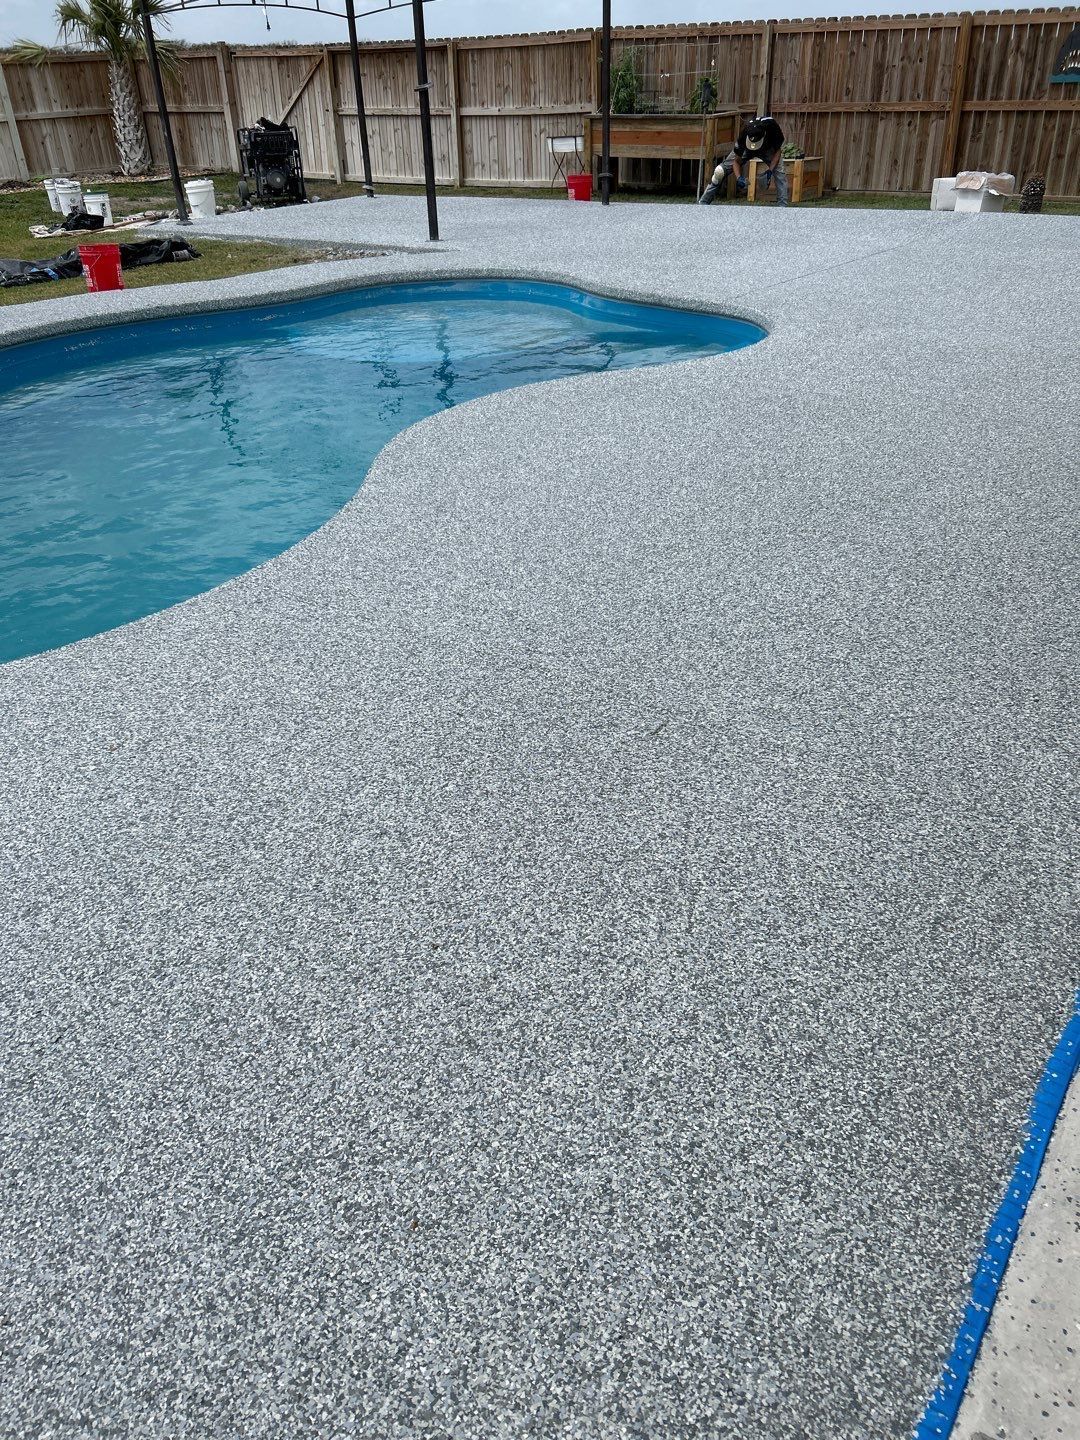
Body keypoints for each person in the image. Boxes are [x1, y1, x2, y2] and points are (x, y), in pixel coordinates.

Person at [699, 115, 789, 207]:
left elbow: (777, 152)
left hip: (767, 149)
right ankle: (703, 203)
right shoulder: (744, 134)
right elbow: (736, 162)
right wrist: (739, 178)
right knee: (720, 171)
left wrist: (770, 170)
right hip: (746, 149)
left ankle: (782, 207)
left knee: (780, 173)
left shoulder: (772, 129)